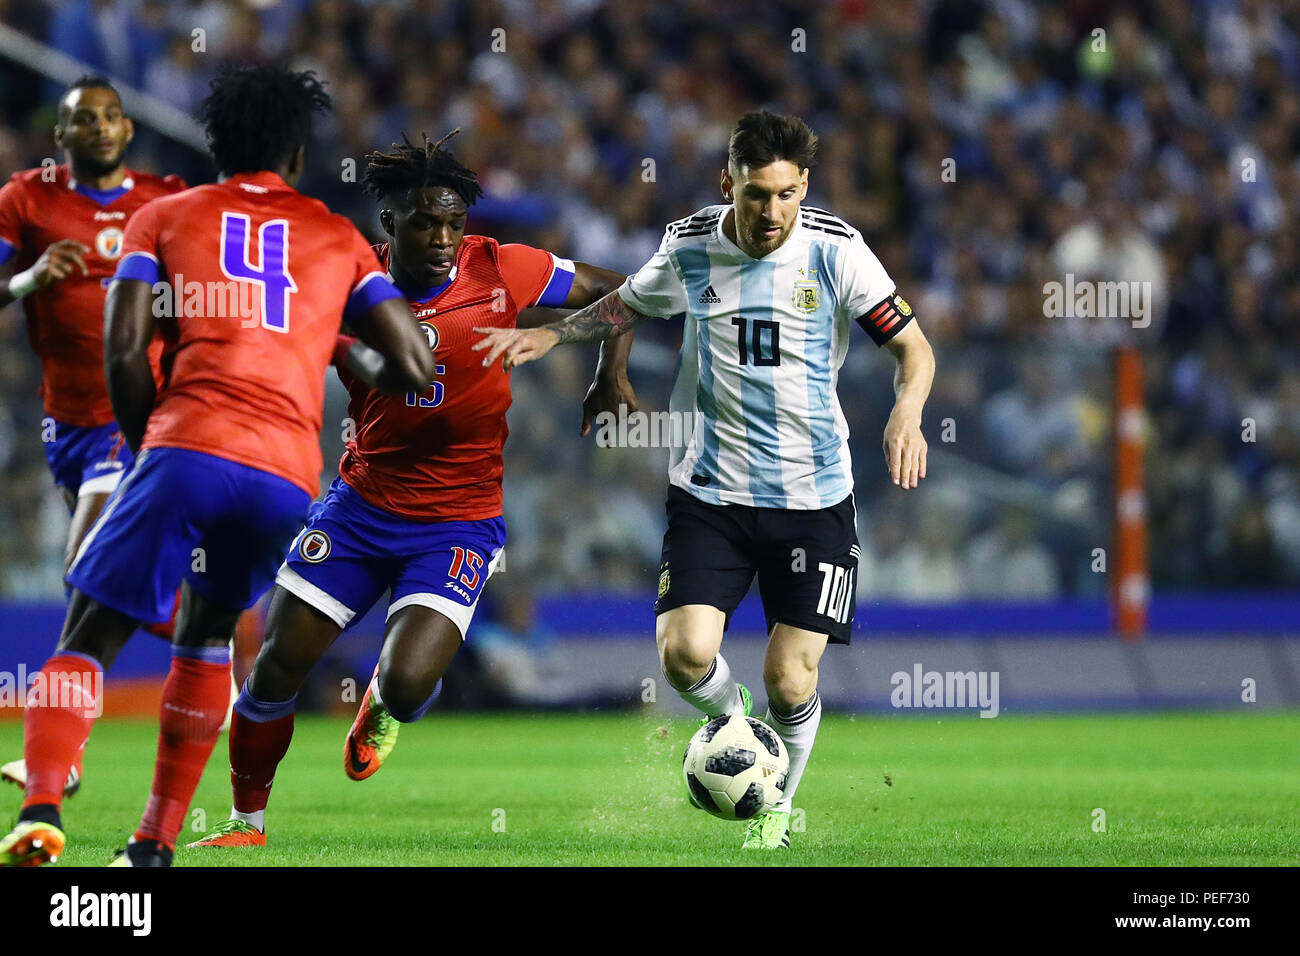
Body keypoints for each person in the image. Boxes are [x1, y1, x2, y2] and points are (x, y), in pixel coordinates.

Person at [0, 63, 435, 868]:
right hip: (284, 476)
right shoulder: (338, 237)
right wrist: (338, 351)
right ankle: (152, 846)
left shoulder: (164, 215)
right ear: (298, 153)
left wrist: (143, 446)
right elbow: (410, 365)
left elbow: (123, 351)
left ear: (216, 144)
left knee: (87, 632)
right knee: (205, 639)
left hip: (188, 442)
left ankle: (43, 803)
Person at [476, 110, 935, 850]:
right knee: (684, 656)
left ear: (804, 186)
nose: (771, 212)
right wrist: (553, 332)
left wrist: (907, 415)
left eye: (786, 194)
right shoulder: (691, 246)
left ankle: (777, 808)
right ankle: (733, 716)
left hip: (813, 498)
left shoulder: (838, 253)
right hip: (711, 493)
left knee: (792, 677)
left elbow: (915, 350)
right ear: (729, 185)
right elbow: (624, 304)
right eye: (756, 195)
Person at [187, 132, 633, 850]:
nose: (445, 237)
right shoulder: (345, 281)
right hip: (360, 509)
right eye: (427, 221)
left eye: (454, 222)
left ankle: (384, 707)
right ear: (389, 222)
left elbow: (623, 290)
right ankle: (246, 824)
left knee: (406, 683)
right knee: (275, 664)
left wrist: (607, 375)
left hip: (458, 524)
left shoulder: (500, 268)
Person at [0, 75, 187, 798]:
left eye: (112, 117)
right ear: (62, 136)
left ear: (128, 131)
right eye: (85, 119)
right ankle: (211, 632)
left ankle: (56, 760)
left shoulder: (162, 200)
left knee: (87, 567)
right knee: (106, 584)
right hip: (65, 425)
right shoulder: (27, 199)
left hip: (134, 413)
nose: (101, 128)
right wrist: (29, 278)